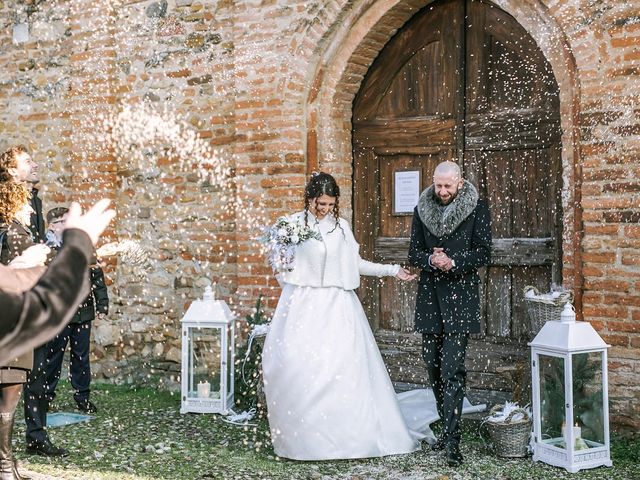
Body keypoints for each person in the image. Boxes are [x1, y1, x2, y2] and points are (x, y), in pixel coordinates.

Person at [262, 172, 425, 461]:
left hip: (338, 305)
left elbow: (355, 263)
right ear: (309, 198)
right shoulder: (291, 225)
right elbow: (277, 260)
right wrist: (289, 280)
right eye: (319, 203)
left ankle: (346, 439)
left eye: (329, 204)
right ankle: (304, 441)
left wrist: (391, 271)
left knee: (341, 369)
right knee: (300, 367)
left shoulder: (341, 227)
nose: (324, 209)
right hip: (302, 304)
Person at [408, 161, 492, 467]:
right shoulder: (422, 209)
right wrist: (431, 259)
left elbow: (484, 252)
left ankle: (452, 440)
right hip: (430, 299)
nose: (442, 191)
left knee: (452, 369)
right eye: (438, 185)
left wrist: (454, 262)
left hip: (460, 298)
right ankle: (445, 426)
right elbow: (413, 251)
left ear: (459, 182)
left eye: (448, 186)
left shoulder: (477, 208)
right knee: (432, 365)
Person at [0, 146, 65, 457]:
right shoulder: (5, 209)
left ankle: (35, 435)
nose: (36, 164)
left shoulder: (32, 201)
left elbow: (39, 248)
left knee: (34, 373)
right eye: (27, 162)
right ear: (12, 170)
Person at [0, 179, 49, 480]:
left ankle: (8, 462)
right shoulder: (16, 235)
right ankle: (5, 466)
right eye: (26, 202)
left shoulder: (6, 232)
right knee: (9, 395)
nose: (32, 208)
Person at [44, 207, 109, 414]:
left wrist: (102, 304)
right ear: (52, 226)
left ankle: (83, 397)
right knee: (53, 356)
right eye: (62, 222)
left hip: (83, 312)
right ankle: (46, 397)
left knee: (81, 357)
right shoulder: (46, 249)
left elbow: (96, 275)